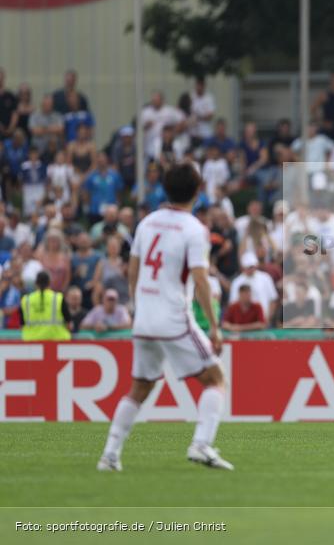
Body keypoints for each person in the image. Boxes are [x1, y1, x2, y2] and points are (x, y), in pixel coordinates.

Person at [97, 162, 232, 472]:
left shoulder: (147, 222)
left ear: (165, 189)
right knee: (215, 379)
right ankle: (201, 444)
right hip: (174, 318)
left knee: (139, 388)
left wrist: (137, 306)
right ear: (198, 192)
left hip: (144, 318)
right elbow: (200, 280)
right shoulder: (195, 229)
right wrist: (214, 327)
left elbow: (132, 269)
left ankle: (110, 455)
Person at [19, 271, 71, 341]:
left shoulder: (26, 300)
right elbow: (69, 324)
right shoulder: (58, 298)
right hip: (56, 340)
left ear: (36, 283)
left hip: (31, 341)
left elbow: (22, 325)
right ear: (49, 282)